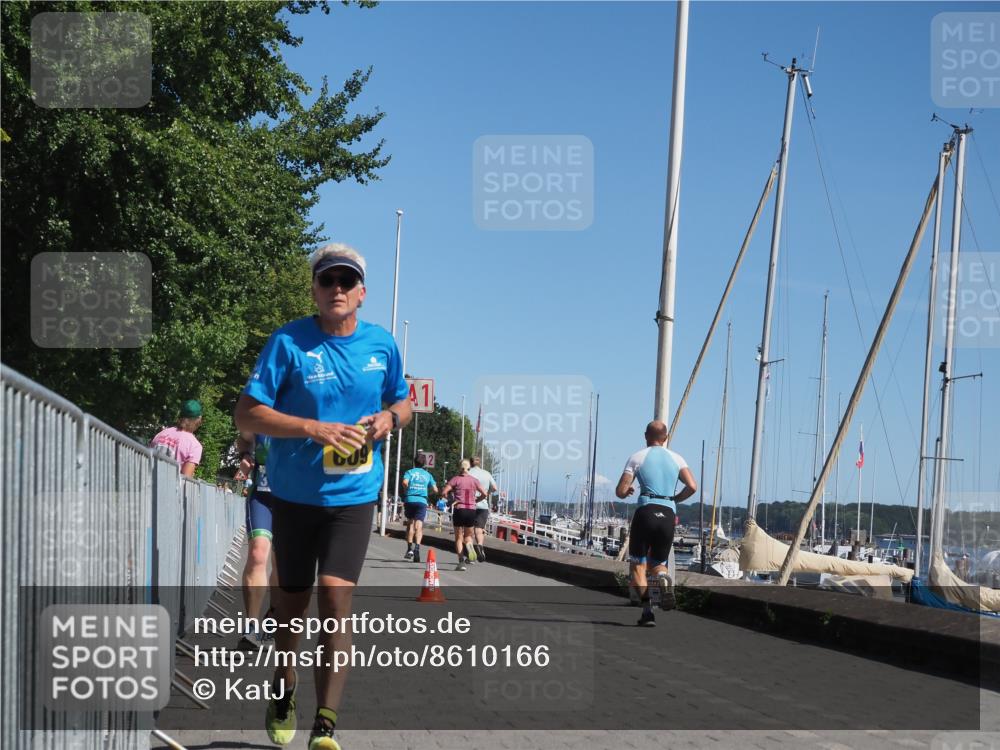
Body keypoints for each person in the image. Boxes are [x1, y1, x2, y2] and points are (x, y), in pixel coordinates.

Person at [235, 243, 411, 750]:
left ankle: (326, 725)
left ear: (361, 293)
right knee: (291, 607)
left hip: (354, 496)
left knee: (335, 596)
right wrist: (311, 428)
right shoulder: (288, 341)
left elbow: (403, 402)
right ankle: (284, 682)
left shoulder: (381, 345)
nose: (336, 288)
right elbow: (247, 414)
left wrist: (389, 418)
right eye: (326, 280)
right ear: (314, 290)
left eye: (345, 281)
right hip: (294, 496)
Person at [615, 420, 697, 627]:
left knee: (638, 566)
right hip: (668, 514)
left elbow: (620, 491)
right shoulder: (677, 458)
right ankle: (663, 577)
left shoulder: (637, 457)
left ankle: (647, 611)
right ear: (666, 437)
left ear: (645, 436)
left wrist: (627, 491)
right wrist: (675, 499)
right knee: (658, 564)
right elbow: (692, 486)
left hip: (646, 511)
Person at [233, 431, 278, 651]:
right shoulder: (262, 412)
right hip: (262, 495)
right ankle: (251, 627)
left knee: (283, 565)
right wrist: (245, 454)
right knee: (257, 553)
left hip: (295, 499)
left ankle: (274, 617)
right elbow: (244, 437)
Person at [440, 460, 486, 570]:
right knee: (468, 536)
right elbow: (485, 493)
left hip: (459, 509)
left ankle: (461, 562)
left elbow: (443, 493)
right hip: (471, 510)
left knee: (458, 537)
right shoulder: (474, 480)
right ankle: (469, 546)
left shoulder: (455, 479)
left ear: (459, 468)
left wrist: (451, 501)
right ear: (469, 468)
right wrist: (476, 500)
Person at [150, 399, 204, 477]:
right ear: (198, 420)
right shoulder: (194, 446)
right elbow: (186, 478)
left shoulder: (161, 433)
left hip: (148, 481)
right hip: (170, 484)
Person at [402, 453, 437, 562]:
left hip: (410, 499)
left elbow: (404, 482)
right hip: (422, 500)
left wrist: (407, 490)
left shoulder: (409, 472)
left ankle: (409, 549)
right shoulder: (428, 475)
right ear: (424, 464)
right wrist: (427, 493)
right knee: (419, 526)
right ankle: (417, 548)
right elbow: (435, 489)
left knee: (410, 524)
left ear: (414, 462)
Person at [468, 456, 497, 562]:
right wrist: (487, 492)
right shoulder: (487, 473)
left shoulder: (468, 473)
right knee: (479, 529)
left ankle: (471, 555)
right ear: (479, 463)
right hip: (483, 505)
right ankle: (480, 546)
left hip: (469, 505)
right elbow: (495, 488)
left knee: (468, 531)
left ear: (470, 463)